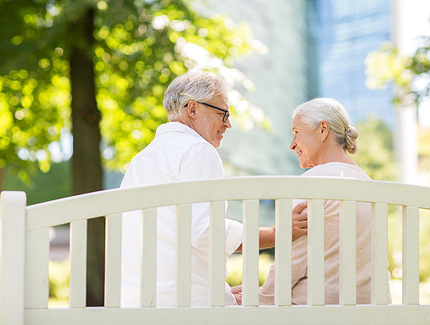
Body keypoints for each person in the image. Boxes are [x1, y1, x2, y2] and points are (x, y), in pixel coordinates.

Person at [120, 71, 307, 307]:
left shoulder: (141, 159)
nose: (228, 124)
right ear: (193, 109)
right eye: (223, 113)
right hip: (189, 306)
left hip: (135, 303)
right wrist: (277, 233)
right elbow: (207, 231)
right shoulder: (197, 150)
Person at [254, 98, 391, 305]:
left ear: (323, 130)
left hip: (318, 309)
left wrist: (261, 297)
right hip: (372, 308)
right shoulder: (368, 184)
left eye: (296, 133)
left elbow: (293, 261)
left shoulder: (313, 183)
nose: (292, 145)